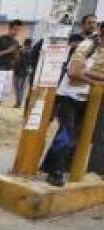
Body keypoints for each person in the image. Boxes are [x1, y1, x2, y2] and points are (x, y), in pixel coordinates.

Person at [41, 22, 104, 187]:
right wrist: (95, 80)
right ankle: (56, 173)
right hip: (69, 96)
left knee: (74, 136)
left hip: (87, 99)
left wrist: (93, 78)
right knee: (66, 134)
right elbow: (73, 73)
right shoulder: (87, 45)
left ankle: (50, 167)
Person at [0, 19, 23, 121]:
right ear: (10, 29)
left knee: (3, 94)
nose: (16, 32)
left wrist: (17, 53)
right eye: (15, 29)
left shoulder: (15, 42)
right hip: (0, 69)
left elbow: (15, 58)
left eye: (19, 30)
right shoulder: (1, 40)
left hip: (9, 69)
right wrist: (7, 51)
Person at [13, 38, 33, 108]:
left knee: (17, 88)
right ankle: (19, 102)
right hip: (25, 72)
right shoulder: (31, 51)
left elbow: (19, 60)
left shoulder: (21, 50)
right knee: (21, 88)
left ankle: (18, 102)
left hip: (18, 71)